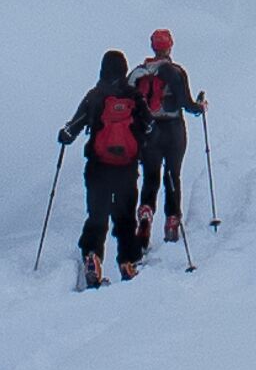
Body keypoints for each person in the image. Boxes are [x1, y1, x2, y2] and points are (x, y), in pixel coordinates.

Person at [59, 46, 152, 286]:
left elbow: (74, 127)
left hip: (98, 167)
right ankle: (127, 262)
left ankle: (93, 257)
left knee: (97, 215)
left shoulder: (95, 95)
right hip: (127, 168)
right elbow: (149, 126)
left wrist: (65, 135)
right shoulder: (133, 96)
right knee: (125, 217)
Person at [137, 27, 209, 242]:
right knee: (172, 175)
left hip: (149, 131)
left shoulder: (140, 72)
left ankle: (146, 213)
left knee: (150, 177)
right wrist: (200, 106)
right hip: (174, 129)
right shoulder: (176, 72)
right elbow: (186, 103)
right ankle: (172, 220)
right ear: (170, 46)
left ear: (152, 46)